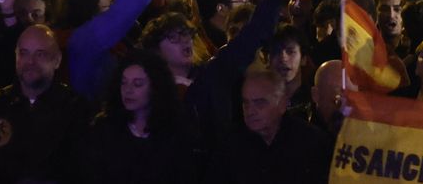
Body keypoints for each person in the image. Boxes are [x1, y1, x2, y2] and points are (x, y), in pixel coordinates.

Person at [0, 25, 91, 183]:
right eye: (24, 53)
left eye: (40, 54)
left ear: (57, 60)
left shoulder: (77, 108)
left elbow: (86, 169)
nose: (30, 62)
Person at [83, 52, 201, 184]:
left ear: (155, 88)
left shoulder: (175, 129)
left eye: (137, 84)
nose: (128, 90)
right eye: (123, 83)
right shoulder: (104, 128)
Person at [203, 67, 332, 184]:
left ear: (282, 103)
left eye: (260, 103)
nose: (250, 111)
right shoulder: (230, 144)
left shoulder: (311, 141)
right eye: (246, 103)